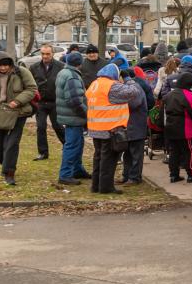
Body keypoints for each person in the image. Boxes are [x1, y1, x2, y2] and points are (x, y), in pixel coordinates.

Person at [85, 64, 142, 194]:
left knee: (98, 157)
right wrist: (128, 79)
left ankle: (96, 185)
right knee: (108, 159)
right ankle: (106, 187)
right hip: (110, 129)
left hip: (96, 127)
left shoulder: (95, 84)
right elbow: (134, 92)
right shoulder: (112, 86)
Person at [0, 52, 37, 186]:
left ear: (10, 64)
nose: (3, 68)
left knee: (12, 143)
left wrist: (17, 101)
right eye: (0, 66)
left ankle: (9, 172)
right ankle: (3, 161)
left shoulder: (21, 72)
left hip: (17, 112)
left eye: (6, 65)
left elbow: (32, 89)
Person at [163, 72, 192, 183]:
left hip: (170, 126)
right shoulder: (190, 96)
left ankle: (174, 175)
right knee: (190, 152)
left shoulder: (168, 95)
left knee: (174, 152)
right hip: (185, 128)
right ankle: (191, 174)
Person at [55, 52, 89, 185]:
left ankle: (77, 170)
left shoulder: (63, 72)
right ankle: (65, 174)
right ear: (79, 63)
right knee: (72, 145)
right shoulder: (72, 76)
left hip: (68, 116)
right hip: (73, 117)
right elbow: (75, 101)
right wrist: (86, 114)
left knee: (78, 144)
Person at [117, 67, 153, 186]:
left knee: (136, 153)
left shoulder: (133, 87)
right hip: (132, 125)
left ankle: (135, 177)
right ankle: (127, 176)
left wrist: (118, 103)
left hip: (136, 125)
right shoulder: (131, 86)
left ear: (121, 77)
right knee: (128, 153)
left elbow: (133, 104)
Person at [30, 44, 65, 161]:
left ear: (53, 54)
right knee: (40, 127)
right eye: (43, 54)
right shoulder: (34, 67)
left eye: (47, 54)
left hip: (55, 102)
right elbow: (31, 84)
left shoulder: (61, 66)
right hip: (40, 103)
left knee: (58, 126)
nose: (45, 56)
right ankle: (43, 152)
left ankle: (68, 148)